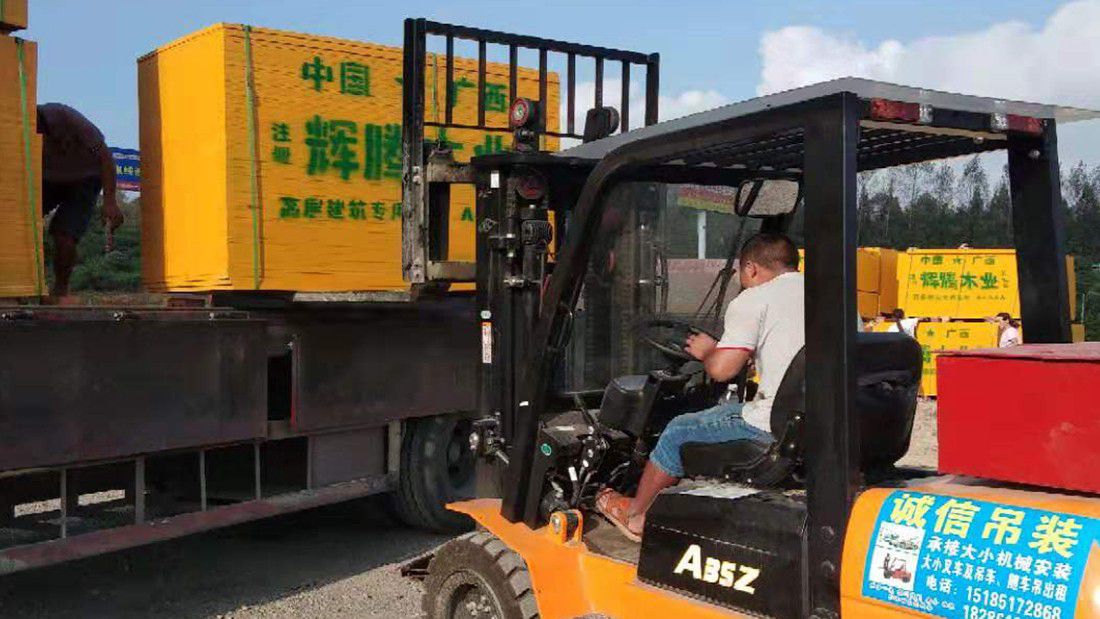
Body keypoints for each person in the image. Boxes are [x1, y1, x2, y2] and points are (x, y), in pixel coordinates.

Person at [595, 232, 804, 541]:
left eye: (741, 274)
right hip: (816, 425)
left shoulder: (755, 298)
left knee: (678, 430)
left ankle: (636, 516)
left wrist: (708, 352)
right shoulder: (831, 297)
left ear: (751, 268)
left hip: (773, 427)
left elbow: (720, 370)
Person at [37, 103, 123, 298]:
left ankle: (61, 291)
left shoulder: (67, 118)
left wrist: (110, 201)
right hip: (47, 179)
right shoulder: (15, 128)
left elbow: (105, 158)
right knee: (17, 226)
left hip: (84, 179)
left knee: (65, 235)